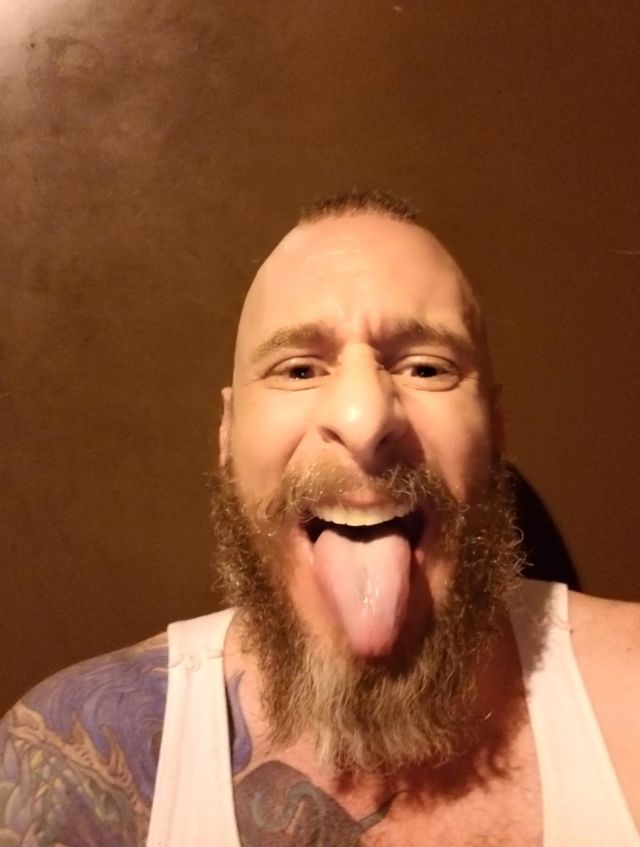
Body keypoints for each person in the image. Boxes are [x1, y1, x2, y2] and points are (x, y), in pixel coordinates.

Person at [1, 190, 638, 847]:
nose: (363, 420)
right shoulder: (76, 759)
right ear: (228, 433)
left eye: (427, 368)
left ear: (495, 428)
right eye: (299, 369)